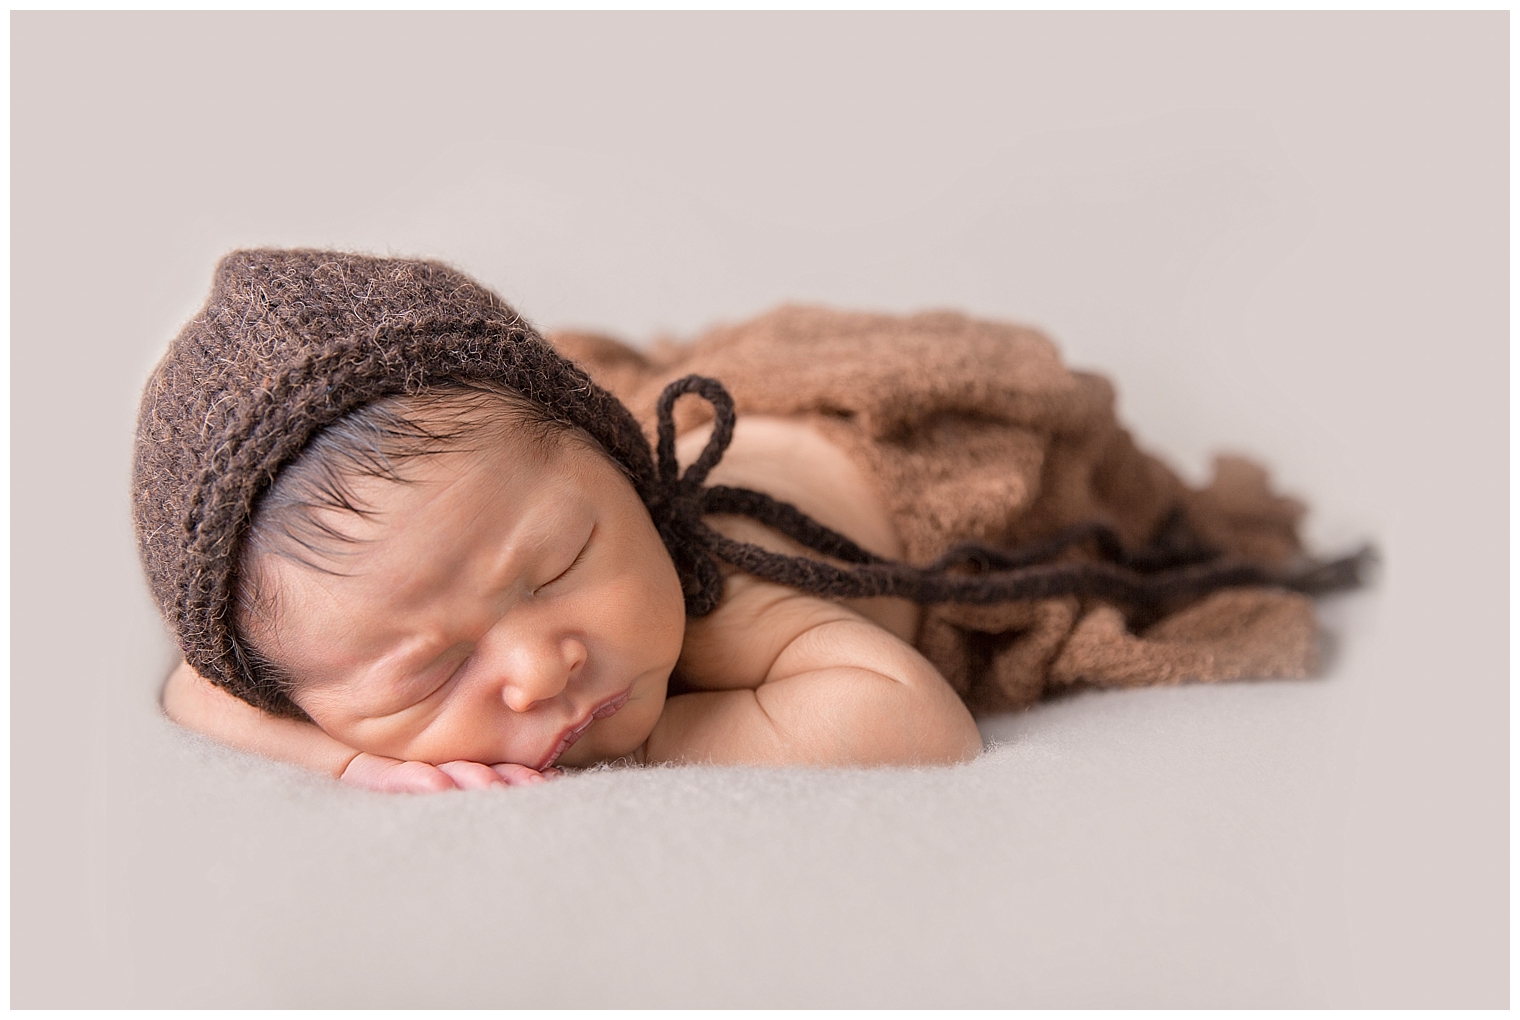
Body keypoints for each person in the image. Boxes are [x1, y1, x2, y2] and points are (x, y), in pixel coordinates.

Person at [135, 250, 1366, 793]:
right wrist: (347, 759)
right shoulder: (297, 652)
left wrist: (633, 748)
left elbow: (906, 723)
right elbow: (201, 688)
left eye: (559, 565)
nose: (537, 665)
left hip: (884, 461)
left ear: (620, 480)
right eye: (429, 668)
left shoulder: (709, 603)